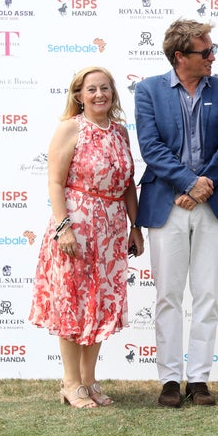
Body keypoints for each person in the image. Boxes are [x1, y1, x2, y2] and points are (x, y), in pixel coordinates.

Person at [135, 19, 218, 407]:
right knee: (168, 295)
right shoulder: (148, 90)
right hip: (167, 204)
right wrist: (186, 183)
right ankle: (168, 380)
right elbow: (151, 146)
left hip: (212, 203)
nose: (212, 56)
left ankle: (198, 380)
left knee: (208, 294)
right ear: (181, 57)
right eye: (205, 51)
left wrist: (203, 184)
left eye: (212, 50)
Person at [30, 66, 143, 408]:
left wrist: (135, 226)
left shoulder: (121, 133)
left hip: (111, 230)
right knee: (73, 302)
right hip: (76, 227)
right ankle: (70, 382)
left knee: (100, 304)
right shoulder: (70, 129)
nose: (99, 95)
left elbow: (127, 186)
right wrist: (63, 226)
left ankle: (89, 381)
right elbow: (55, 181)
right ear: (78, 95)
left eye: (105, 88)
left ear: (113, 93)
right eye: (91, 89)